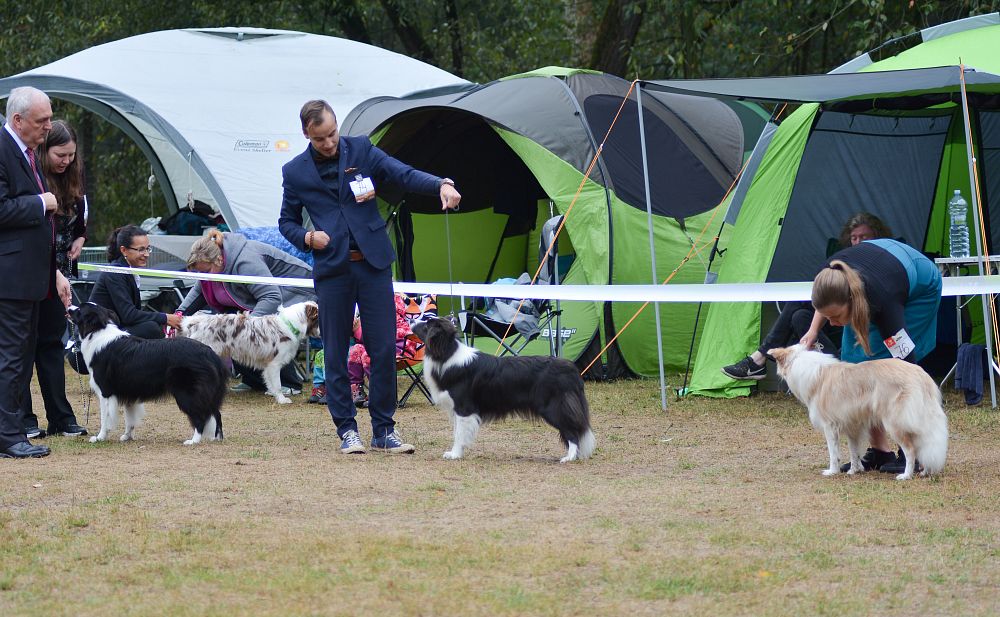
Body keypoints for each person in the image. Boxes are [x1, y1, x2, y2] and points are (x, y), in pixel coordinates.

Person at [278, 99, 460, 454]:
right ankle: (347, 430)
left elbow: (400, 172)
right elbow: (286, 221)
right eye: (320, 139)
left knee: (381, 348)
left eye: (332, 134)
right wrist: (307, 237)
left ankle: (383, 430)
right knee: (333, 351)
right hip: (333, 271)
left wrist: (440, 184)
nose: (329, 143)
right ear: (306, 134)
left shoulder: (360, 148)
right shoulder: (295, 171)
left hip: (373, 265)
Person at [802, 237, 942, 475]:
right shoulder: (828, 277)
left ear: (851, 301)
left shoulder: (884, 305)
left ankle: (912, 453)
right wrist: (813, 331)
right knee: (855, 364)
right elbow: (825, 303)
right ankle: (879, 451)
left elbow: (905, 363)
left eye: (835, 316)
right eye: (828, 318)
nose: (833, 324)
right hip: (879, 268)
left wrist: (911, 402)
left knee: (883, 366)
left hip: (919, 283)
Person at [722, 212, 893, 380]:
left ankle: (759, 358)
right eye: (854, 238)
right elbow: (825, 295)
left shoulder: (884, 259)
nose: (858, 242)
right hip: (833, 320)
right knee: (799, 316)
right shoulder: (843, 261)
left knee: (799, 306)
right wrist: (813, 329)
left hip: (858, 322)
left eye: (864, 237)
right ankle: (826, 367)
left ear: (877, 236)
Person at [0, 86, 69, 459]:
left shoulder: (27, 153)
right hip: (9, 277)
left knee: (20, 356)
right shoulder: (2, 149)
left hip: (30, 276)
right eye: (42, 121)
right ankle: (8, 436)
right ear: (18, 120)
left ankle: (11, 431)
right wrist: (39, 202)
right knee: (11, 358)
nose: (49, 127)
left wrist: (53, 271)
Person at [177, 229, 317, 395]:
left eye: (205, 271)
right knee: (235, 326)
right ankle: (255, 381)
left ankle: (289, 384)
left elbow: (271, 296)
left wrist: (248, 325)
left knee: (263, 331)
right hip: (262, 297)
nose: (202, 276)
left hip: (295, 291)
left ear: (219, 259)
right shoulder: (212, 265)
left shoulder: (245, 261)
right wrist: (179, 313)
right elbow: (199, 291)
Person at [19, 120, 89, 438]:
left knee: (51, 346)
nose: (66, 161)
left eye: (71, 156)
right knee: (21, 347)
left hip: (60, 277)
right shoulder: (30, 176)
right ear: (45, 151)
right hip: (30, 272)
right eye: (61, 155)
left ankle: (61, 418)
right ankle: (23, 419)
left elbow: (77, 223)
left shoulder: (73, 181)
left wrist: (81, 238)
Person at [89, 225, 184, 338]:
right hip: (98, 335)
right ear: (124, 250)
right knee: (151, 329)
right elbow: (129, 315)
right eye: (141, 249)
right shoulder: (115, 273)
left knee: (151, 326)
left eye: (148, 248)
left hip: (113, 329)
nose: (147, 254)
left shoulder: (127, 271)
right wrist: (165, 318)